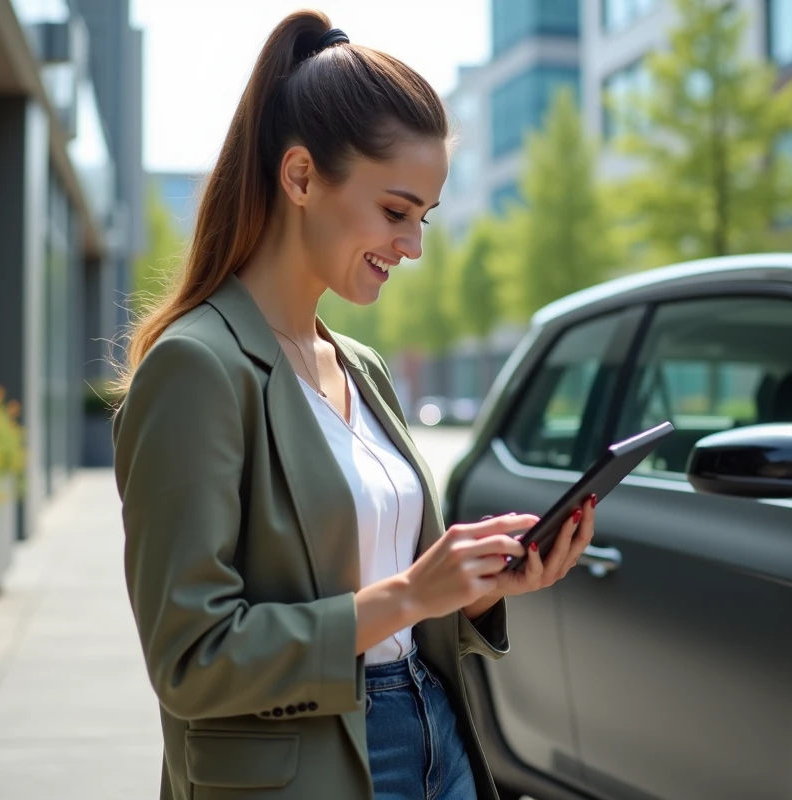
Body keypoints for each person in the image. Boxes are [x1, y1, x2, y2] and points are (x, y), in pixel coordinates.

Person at [111, 11, 596, 800]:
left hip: (438, 733)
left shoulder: (361, 366)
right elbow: (190, 659)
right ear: (300, 177)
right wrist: (409, 593)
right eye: (396, 211)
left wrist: (471, 589)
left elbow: (386, 597)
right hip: (310, 766)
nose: (413, 246)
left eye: (424, 219)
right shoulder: (196, 368)